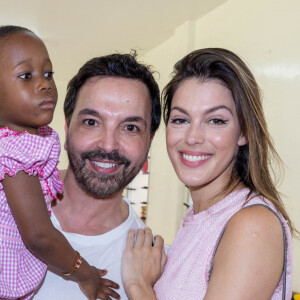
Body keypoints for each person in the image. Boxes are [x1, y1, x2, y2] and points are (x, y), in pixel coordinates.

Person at [121, 48, 294, 300]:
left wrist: (139, 286)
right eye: (181, 119)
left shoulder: (252, 224)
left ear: (244, 132)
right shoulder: (198, 218)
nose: (192, 137)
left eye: (216, 121)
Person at [0, 25, 119, 300]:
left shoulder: (28, 142)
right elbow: (39, 236)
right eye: (26, 75)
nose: (44, 84)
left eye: (48, 73)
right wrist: (85, 273)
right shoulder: (12, 151)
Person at [33, 52, 162, 299]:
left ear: (149, 142)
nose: (108, 145)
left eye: (130, 128)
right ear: (67, 127)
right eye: (92, 122)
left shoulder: (150, 269)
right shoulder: (6, 196)